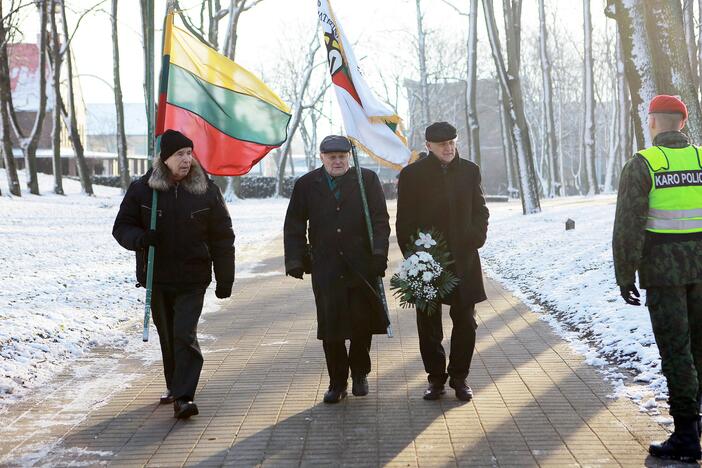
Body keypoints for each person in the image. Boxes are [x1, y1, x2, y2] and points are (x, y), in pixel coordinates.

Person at [113, 129, 235, 419]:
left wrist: (225, 276)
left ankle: (184, 396)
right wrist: (141, 239)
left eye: (189, 153)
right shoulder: (143, 189)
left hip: (193, 277)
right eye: (180, 154)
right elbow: (122, 227)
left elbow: (222, 236)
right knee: (167, 335)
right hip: (158, 276)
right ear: (165, 159)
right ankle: (175, 384)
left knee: (184, 332)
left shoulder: (206, 189)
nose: (186, 159)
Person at [613, 95, 702, 462]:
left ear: (652, 123)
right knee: (699, 350)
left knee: (677, 353)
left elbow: (628, 226)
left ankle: (685, 436)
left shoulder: (643, 164)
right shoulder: (700, 159)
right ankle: (693, 427)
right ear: (682, 123)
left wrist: (625, 274)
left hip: (664, 276)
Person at [284, 135, 390, 404]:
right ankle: (337, 381)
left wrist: (379, 254)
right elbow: (294, 223)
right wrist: (296, 259)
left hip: (362, 265)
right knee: (331, 327)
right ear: (321, 157)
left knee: (361, 324)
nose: (338, 161)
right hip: (326, 266)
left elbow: (380, 220)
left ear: (349, 157)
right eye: (332, 157)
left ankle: (360, 374)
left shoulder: (367, 181)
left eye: (342, 156)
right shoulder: (307, 184)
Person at [396, 121, 489, 402]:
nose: (449, 148)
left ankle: (459, 378)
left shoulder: (470, 170)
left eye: (452, 142)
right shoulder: (412, 175)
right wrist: (414, 256)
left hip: (464, 258)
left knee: (466, 322)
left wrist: (475, 237)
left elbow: (480, 210)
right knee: (428, 324)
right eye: (442, 144)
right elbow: (404, 220)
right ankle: (436, 379)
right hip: (427, 261)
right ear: (428, 146)